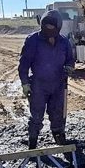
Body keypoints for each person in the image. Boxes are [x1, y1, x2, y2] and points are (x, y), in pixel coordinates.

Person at [18, 10, 74, 149]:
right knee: (36, 116)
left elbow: (70, 60)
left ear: (58, 28)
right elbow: (23, 64)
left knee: (57, 114)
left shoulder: (64, 42)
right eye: (46, 28)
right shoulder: (32, 40)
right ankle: (33, 141)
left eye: (52, 29)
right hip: (38, 85)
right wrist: (25, 83)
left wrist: (69, 67)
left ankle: (59, 137)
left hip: (58, 85)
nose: (49, 31)